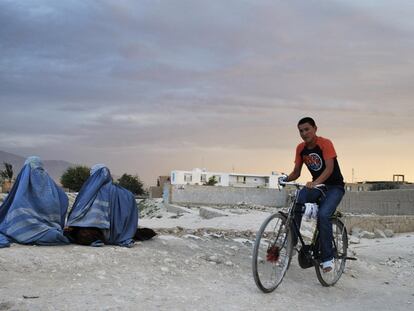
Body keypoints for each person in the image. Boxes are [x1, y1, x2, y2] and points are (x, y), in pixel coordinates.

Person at [279, 117, 345, 272]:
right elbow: (296, 172)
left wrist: (315, 183)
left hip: (334, 187)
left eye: (307, 129)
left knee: (323, 215)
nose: (304, 133)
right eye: (301, 131)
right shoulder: (300, 148)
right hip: (318, 186)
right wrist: (285, 179)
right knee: (298, 199)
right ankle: (292, 242)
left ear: (315, 128)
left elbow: (329, 169)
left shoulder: (325, 143)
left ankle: (327, 258)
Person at [65, 164, 155, 247]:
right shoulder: (127, 194)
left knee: (75, 234)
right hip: (121, 234)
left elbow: (82, 216)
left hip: (97, 233)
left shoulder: (91, 193)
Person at [0, 156, 70, 247]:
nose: (39, 173)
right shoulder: (20, 197)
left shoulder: (53, 191)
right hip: (25, 228)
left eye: (41, 170)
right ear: (26, 173)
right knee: (55, 236)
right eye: (34, 170)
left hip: (49, 229)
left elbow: (63, 200)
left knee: (55, 235)